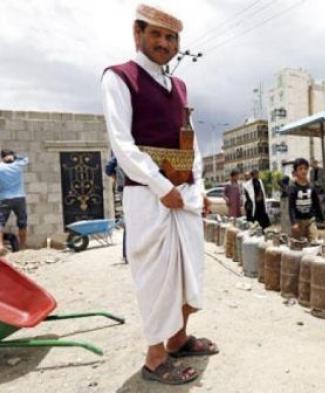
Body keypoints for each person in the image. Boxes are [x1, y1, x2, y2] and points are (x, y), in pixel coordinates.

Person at [101, 4, 216, 385]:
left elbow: (192, 143)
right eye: (157, 34)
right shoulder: (120, 78)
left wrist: (196, 187)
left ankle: (179, 339)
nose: (164, 43)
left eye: (171, 37)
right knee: (157, 276)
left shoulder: (179, 86)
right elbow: (122, 143)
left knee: (187, 270)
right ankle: (154, 359)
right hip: (149, 197)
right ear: (138, 34)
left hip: (183, 195)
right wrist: (162, 186)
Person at [288, 158, 324, 241]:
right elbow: (291, 207)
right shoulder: (293, 188)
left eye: (305, 169)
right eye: (300, 169)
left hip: (310, 220)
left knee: (314, 241)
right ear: (296, 172)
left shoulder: (311, 187)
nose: (303, 171)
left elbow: (317, 203)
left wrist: (323, 219)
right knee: (299, 245)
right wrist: (293, 223)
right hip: (298, 221)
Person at [0, 149, 29, 253]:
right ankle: (22, 246)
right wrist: (15, 156)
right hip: (19, 198)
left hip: (4, 198)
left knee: (0, 222)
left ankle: (0, 246)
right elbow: (26, 159)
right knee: (22, 222)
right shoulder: (18, 165)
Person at [104, 156, 127, 263]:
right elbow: (108, 169)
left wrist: (116, 177)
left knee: (129, 221)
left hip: (123, 189)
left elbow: (108, 169)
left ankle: (126, 254)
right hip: (131, 189)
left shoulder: (118, 154)